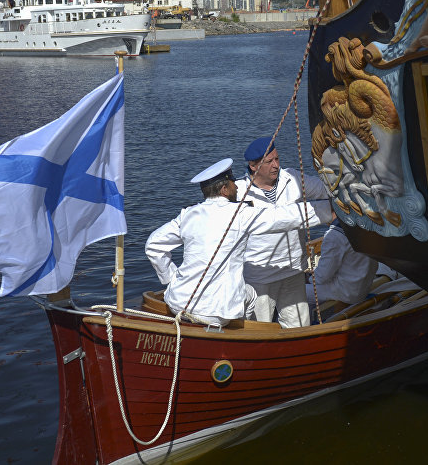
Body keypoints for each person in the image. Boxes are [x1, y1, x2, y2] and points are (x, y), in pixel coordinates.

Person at [146, 158, 333, 327]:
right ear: (224, 190)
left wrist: (172, 279)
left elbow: (153, 245)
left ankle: (249, 328)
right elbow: (285, 217)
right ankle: (250, 332)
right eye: (232, 182)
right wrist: (331, 210)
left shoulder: (187, 214)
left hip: (177, 303)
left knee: (250, 294)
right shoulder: (239, 214)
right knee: (250, 297)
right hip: (215, 313)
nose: (237, 186)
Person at [235, 137, 330, 328]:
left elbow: (326, 191)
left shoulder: (292, 178)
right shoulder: (239, 192)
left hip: (293, 270)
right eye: (269, 162)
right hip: (259, 276)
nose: (276, 165)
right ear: (253, 166)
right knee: (259, 328)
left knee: (299, 325)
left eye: (277, 159)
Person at [305, 219, 378, 307]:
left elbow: (321, 277)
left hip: (346, 293)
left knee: (295, 292)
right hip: (362, 287)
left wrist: (308, 278)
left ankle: (311, 319)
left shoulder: (334, 234)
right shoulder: (366, 224)